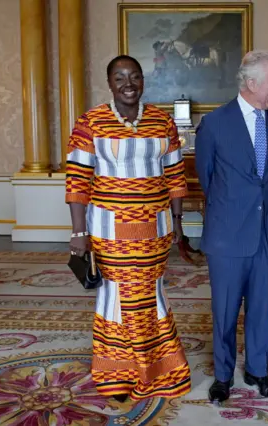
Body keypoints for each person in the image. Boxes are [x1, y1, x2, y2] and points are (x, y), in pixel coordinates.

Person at [65, 55, 191, 402]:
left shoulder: (162, 122)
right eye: (120, 78)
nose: (128, 84)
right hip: (109, 231)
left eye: (134, 77)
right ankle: (117, 375)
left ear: (143, 80)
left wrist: (178, 222)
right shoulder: (91, 122)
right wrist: (79, 233)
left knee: (151, 293)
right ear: (109, 83)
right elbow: (77, 181)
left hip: (156, 230)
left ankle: (159, 368)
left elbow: (175, 176)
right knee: (117, 296)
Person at [195, 50, 268, 403]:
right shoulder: (215, 123)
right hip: (228, 233)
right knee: (224, 309)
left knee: (262, 307)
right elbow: (207, 177)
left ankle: (258, 371)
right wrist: (233, 209)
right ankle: (223, 376)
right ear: (252, 83)